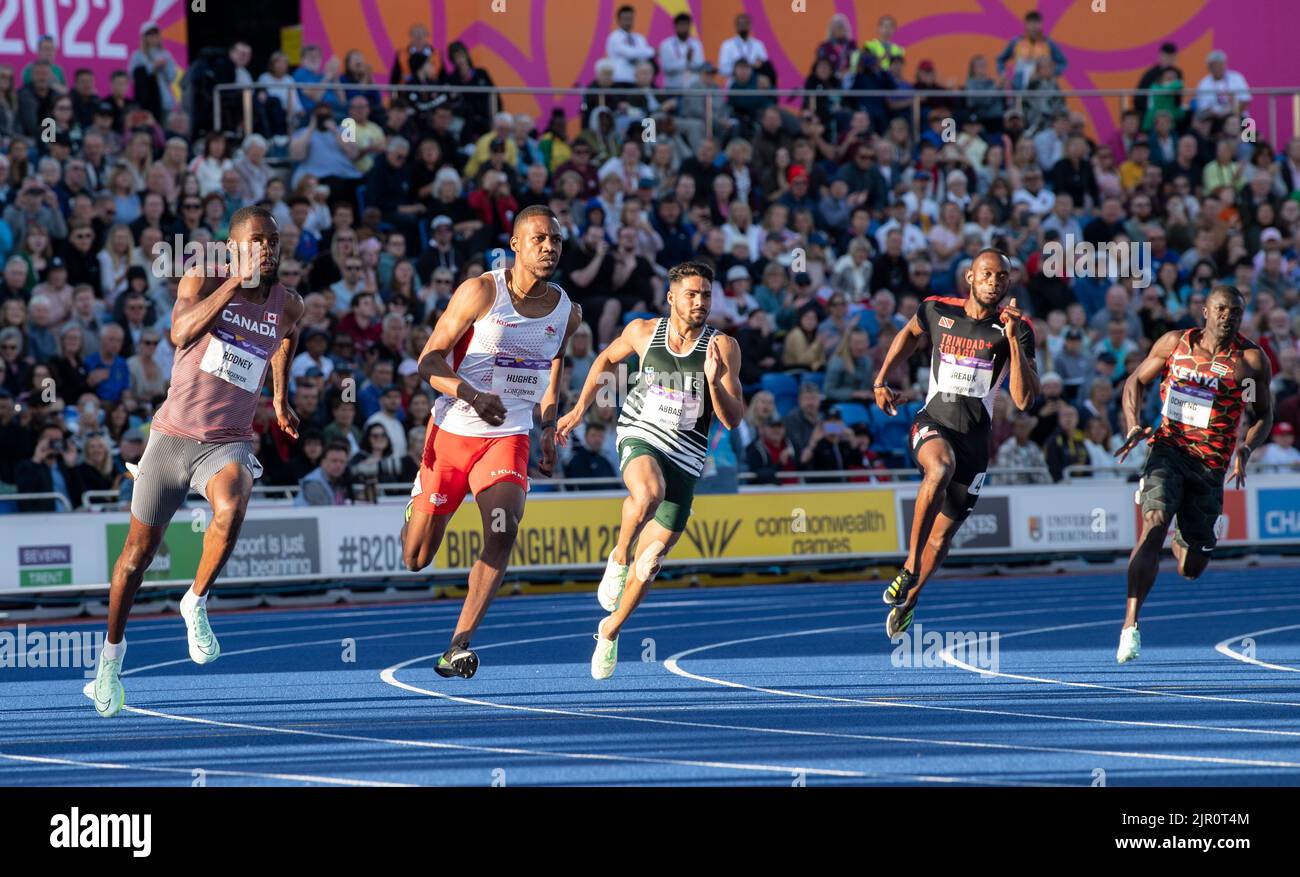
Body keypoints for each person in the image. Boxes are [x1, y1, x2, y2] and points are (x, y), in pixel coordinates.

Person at [88, 206, 304, 718]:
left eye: (274, 241)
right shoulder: (204, 276)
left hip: (225, 441)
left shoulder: (289, 303)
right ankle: (110, 659)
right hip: (171, 436)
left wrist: (279, 397)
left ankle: (196, 600)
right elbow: (180, 333)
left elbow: (286, 338)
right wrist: (232, 285)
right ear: (233, 248)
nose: (268, 250)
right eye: (257, 241)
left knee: (232, 503)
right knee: (134, 562)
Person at [401, 205, 582, 679]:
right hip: (453, 431)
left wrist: (547, 425)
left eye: (556, 242)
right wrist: (472, 393)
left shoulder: (567, 312)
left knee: (503, 530)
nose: (549, 248)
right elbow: (428, 360)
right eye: (539, 239)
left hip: (508, 437)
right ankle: (418, 500)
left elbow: (554, 363)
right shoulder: (481, 291)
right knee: (416, 558)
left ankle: (458, 645)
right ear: (516, 244)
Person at [556, 261, 745, 679]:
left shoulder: (723, 347)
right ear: (671, 297)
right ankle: (618, 555)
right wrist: (578, 409)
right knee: (647, 494)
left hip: (688, 454)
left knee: (652, 562)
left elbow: (733, 419)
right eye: (692, 294)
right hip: (640, 430)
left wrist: (713, 384)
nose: (700, 302)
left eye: (707, 295)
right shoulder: (643, 331)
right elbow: (606, 359)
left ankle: (610, 630)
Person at [873, 249, 1039, 637]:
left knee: (944, 535)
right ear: (970, 277)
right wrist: (882, 379)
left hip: (975, 443)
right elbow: (908, 334)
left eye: (1001, 277)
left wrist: (1013, 341)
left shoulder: (1017, 327)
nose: (993, 283)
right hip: (933, 423)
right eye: (986, 275)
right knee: (939, 468)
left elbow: (1023, 400)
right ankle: (910, 566)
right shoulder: (936, 310)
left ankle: (910, 598)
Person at [1112, 285, 1273, 663]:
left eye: (1234, 311)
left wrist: (1246, 447)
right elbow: (1135, 380)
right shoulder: (1174, 344)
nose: (1226, 317)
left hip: (1210, 466)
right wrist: (1134, 423)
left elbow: (1263, 413)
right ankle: (1129, 627)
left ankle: (1189, 533)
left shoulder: (1248, 361)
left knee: (1190, 568)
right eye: (1220, 309)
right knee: (1152, 526)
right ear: (1205, 311)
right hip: (1168, 449)